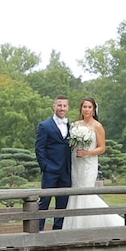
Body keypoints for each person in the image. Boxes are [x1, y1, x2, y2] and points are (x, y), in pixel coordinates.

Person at [63, 97, 122, 230]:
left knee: (86, 192)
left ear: (94, 110)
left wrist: (87, 152)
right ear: (81, 109)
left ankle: (95, 224)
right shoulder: (75, 125)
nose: (87, 109)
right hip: (76, 162)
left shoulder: (97, 126)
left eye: (89, 107)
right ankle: (74, 226)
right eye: (84, 107)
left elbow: (102, 148)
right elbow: (71, 144)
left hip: (88, 163)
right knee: (75, 191)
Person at [34, 95, 74, 230]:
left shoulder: (72, 126)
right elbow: (39, 148)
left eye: (64, 106)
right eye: (59, 105)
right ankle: (37, 229)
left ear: (68, 108)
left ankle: (58, 231)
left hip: (66, 171)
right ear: (54, 106)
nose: (62, 108)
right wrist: (45, 166)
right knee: (44, 201)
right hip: (50, 170)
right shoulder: (45, 126)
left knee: (63, 203)